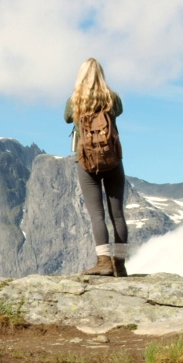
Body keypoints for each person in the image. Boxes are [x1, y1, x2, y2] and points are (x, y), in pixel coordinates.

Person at [65, 58, 129, 277]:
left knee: (96, 214)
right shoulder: (113, 99)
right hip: (112, 161)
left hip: (86, 163)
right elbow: (119, 111)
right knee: (117, 214)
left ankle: (103, 262)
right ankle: (119, 264)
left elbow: (66, 118)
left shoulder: (75, 101)